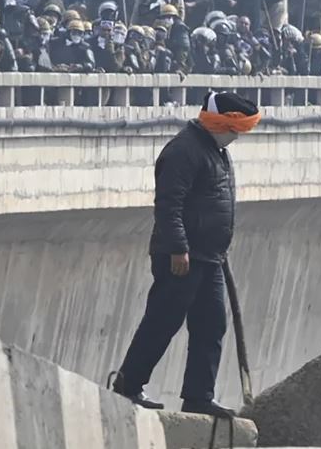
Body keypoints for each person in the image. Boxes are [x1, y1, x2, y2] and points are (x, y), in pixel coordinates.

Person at [113, 91, 261, 415]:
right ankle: (128, 385)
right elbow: (169, 205)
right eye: (234, 130)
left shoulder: (216, 151)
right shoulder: (185, 150)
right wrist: (179, 248)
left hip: (210, 258)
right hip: (182, 258)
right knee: (162, 321)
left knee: (211, 325)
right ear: (218, 123)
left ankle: (199, 396)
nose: (236, 137)